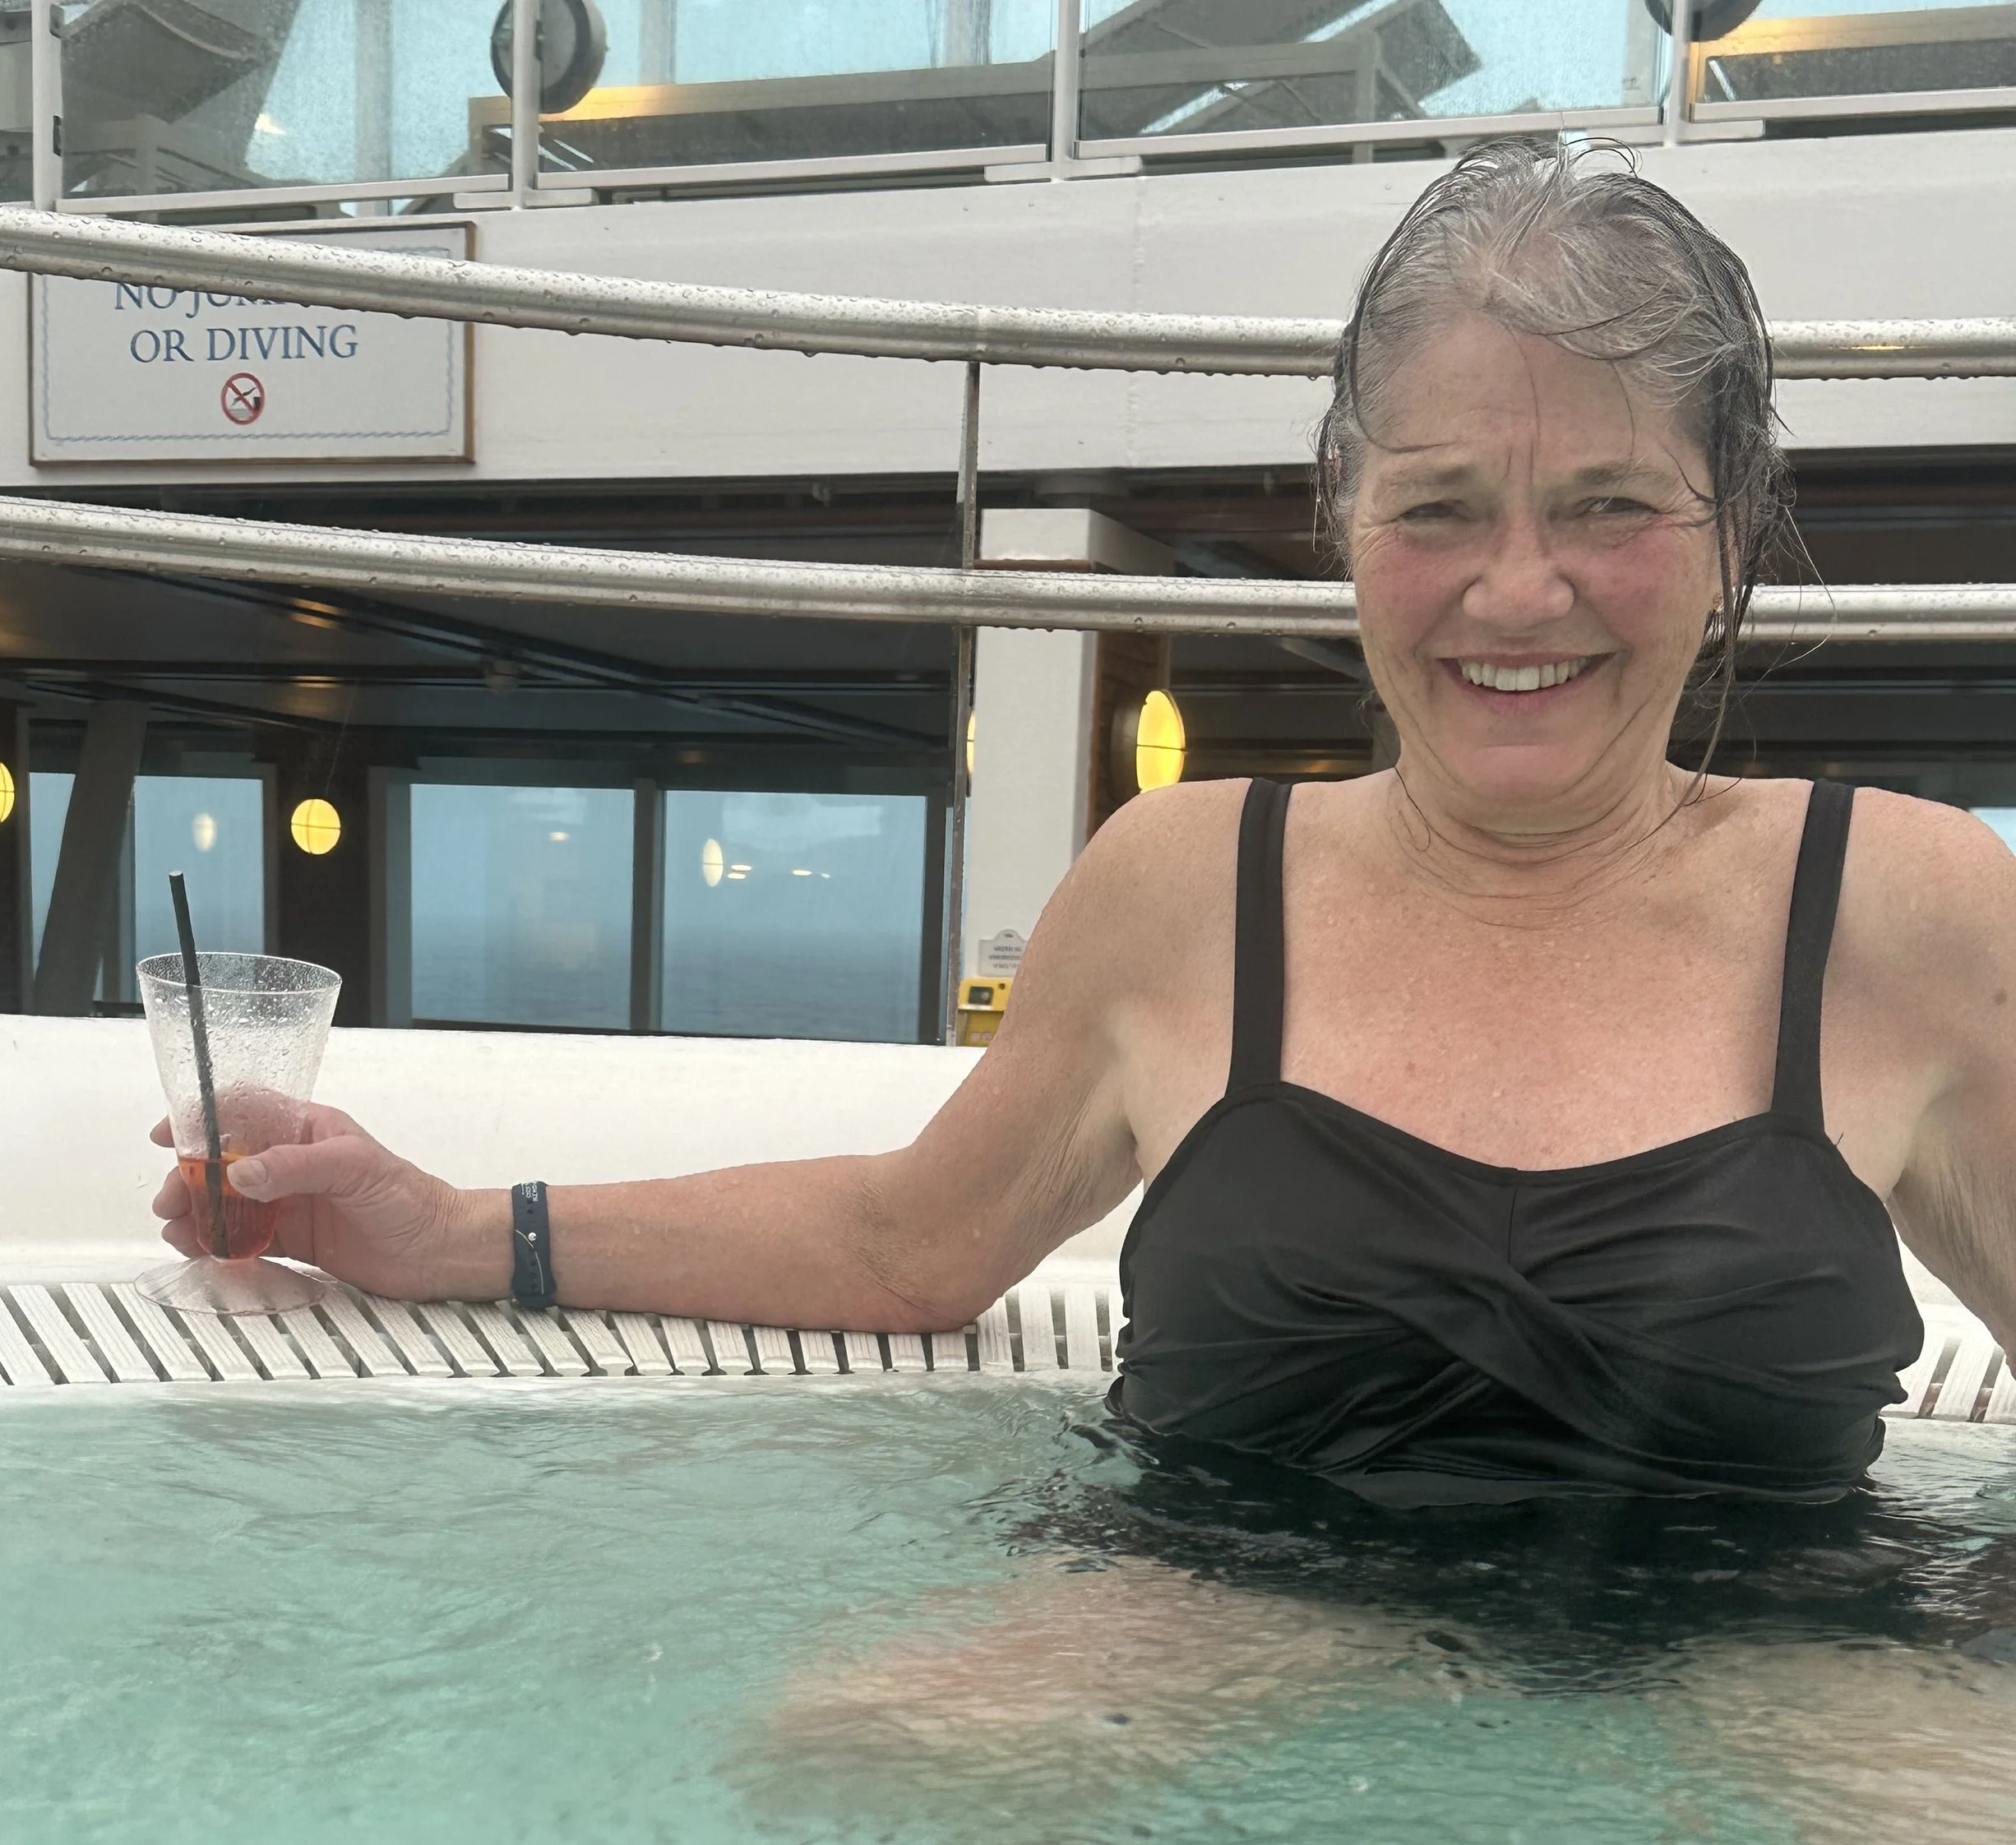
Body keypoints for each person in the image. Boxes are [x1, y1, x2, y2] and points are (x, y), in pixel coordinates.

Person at [155, 139, 2016, 1508]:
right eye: (1440, 507)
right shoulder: (1185, 885)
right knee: (874, 1766)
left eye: (1608, 504)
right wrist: (444, 1225)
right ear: (1343, 520)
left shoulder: (1906, 911)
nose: (1516, 592)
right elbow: (908, 1245)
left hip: (1767, 1681)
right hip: (1212, 1633)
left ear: (1731, 528)